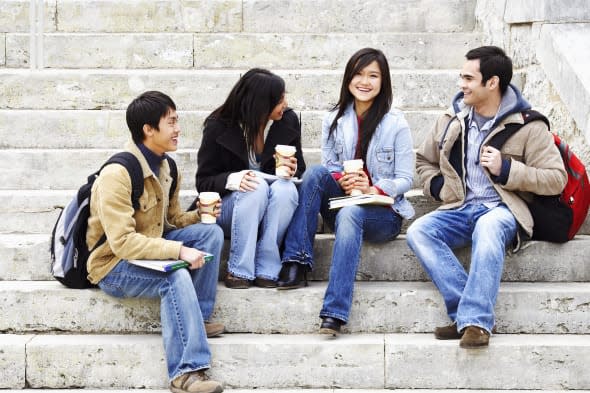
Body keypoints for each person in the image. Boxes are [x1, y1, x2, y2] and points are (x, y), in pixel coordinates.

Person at [406, 46, 567, 349]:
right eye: (461, 76)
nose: (461, 84)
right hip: (458, 207)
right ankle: (467, 313)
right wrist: (438, 187)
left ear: (492, 83)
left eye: (468, 78)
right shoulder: (452, 120)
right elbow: (422, 162)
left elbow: (556, 179)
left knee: (489, 226)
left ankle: (476, 323)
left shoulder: (528, 125)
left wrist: (508, 169)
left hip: (503, 209)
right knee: (418, 231)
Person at [86, 91, 225, 393]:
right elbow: (122, 243)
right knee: (175, 276)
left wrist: (198, 215)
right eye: (171, 122)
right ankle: (186, 373)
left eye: (177, 121)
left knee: (210, 232)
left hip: (149, 249)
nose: (178, 129)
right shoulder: (117, 174)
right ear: (148, 129)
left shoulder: (168, 167)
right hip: (114, 265)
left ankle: (196, 320)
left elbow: (170, 220)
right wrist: (178, 250)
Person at [277, 47, 415, 336]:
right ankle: (297, 261)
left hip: (382, 214)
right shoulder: (334, 119)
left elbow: (406, 178)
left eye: (373, 75)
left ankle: (334, 313)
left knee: (352, 212)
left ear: (383, 81)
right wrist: (343, 180)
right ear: (348, 78)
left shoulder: (396, 123)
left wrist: (372, 186)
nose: (365, 81)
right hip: (342, 202)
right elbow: (329, 164)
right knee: (315, 172)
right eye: (359, 74)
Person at [195, 68, 306, 289]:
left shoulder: (287, 121)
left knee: (286, 189)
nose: (284, 103)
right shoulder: (219, 125)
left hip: (272, 210)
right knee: (255, 187)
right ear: (261, 103)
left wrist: (293, 169)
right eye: (279, 99)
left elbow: (300, 169)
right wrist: (233, 180)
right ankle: (238, 270)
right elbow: (203, 182)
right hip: (229, 209)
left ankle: (268, 267)